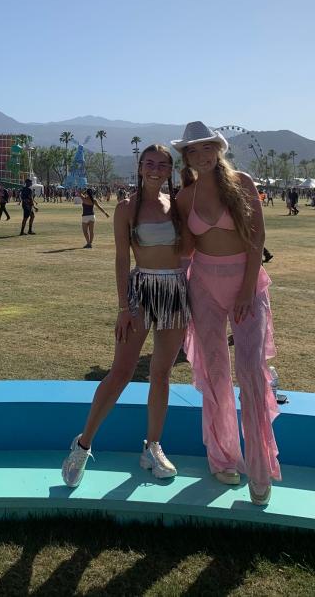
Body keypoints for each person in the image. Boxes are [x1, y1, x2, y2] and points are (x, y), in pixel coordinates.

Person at [61, 145, 190, 487]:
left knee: (161, 374)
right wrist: (123, 307)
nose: (155, 169)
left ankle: (152, 448)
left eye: (162, 165)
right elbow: (121, 259)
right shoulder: (127, 208)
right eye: (149, 163)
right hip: (141, 291)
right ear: (140, 166)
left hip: (175, 293)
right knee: (121, 372)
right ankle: (83, 444)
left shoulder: (177, 207)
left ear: (169, 170)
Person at [173, 121, 280, 506]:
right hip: (203, 284)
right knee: (216, 371)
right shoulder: (185, 196)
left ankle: (260, 467)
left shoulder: (243, 182)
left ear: (218, 149)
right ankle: (222, 457)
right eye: (193, 151)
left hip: (246, 284)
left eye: (207, 148)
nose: (201, 156)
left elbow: (257, 238)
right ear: (186, 157)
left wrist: (249, 287)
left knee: (251, 371)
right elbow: (185, 249)